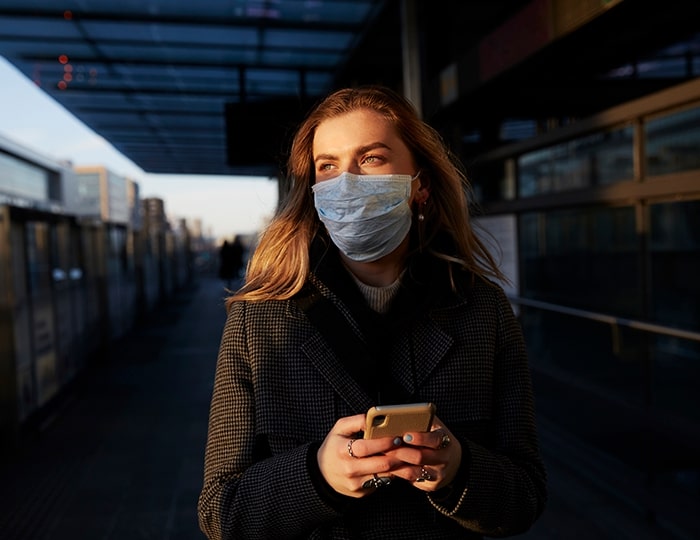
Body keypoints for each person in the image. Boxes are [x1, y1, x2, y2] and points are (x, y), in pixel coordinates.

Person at [198, 86, 547, 539]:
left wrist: (457, 468)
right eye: (328, 166)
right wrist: (317, 476)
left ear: (419, 184)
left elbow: (526, 497)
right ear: (314, 192)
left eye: (371, 158)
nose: (346, 182)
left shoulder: (483, 311)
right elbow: (219, 512)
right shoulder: (258, 319)